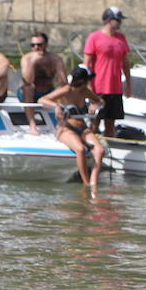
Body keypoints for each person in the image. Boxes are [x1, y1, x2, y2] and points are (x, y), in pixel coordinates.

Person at [39, 66, 106, 195]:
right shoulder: (66, 90)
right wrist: (57, 105)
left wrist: (95, 104)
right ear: (83, 80)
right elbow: (42, 100)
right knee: (80, 149)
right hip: (65, 128)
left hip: (82, 128)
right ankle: (86, 184)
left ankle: (93, 184)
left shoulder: (85, 91)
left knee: (100, 150)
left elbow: (101, 101)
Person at [83, 7, 130, 138]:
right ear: (109, 20)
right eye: (118, 19)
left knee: (111, 125)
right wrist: (89, 88)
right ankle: (90, 149)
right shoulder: (94, 37)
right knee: (94, 124)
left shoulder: (121, 38)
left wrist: (128, 84)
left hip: (115, 88)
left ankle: (110, 153)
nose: (120, 22)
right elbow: (86, 65)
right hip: (99, 87)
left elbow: (126, 63)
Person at [18, 31, 68, 133]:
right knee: (28, 88)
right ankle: (32, 125)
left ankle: (62, 125)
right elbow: (27, 81)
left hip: (47, 91)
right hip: (30, 92)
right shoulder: (27, 58)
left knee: (64, 89)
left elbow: (64, 81)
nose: (36, 48)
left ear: (46, 45)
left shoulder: (55, 59)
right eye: (33, 45)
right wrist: (33, 62)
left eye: (39, 45)